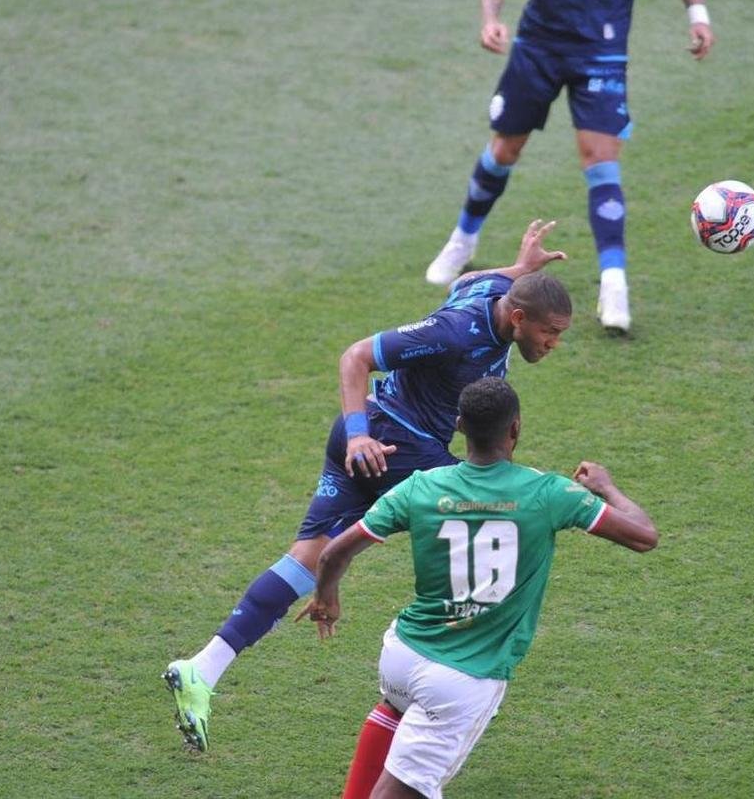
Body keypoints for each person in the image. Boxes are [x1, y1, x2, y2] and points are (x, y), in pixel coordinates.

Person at [163, 220, 574, 751]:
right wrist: (359, 435)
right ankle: (457, 667)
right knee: (493, 507)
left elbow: (470, 279)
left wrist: (520, 268)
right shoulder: (455, 332)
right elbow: (356, 356)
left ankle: (201, 669)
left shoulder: (495, 293)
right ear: (518, 318)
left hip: (377, 441)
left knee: (302, 562)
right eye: (551, 332)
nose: (554, 343)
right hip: (388, 444)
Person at [298, 377, 658, 798]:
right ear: (516, 428)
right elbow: (644, 536)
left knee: (396, 709)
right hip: (461, 679)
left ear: (459, 426)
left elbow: (331, 554)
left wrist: (326, 597)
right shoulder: (548, 493)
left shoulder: (420, 487)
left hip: (402, 655)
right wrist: (606, 487)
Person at [424, 0, 717, 334]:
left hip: (602, 45)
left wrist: (698, 16)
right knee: (505, 150)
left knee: (601, 159)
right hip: (539, 42)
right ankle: (463, 239)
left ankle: (614, 284)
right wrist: (490, 17)